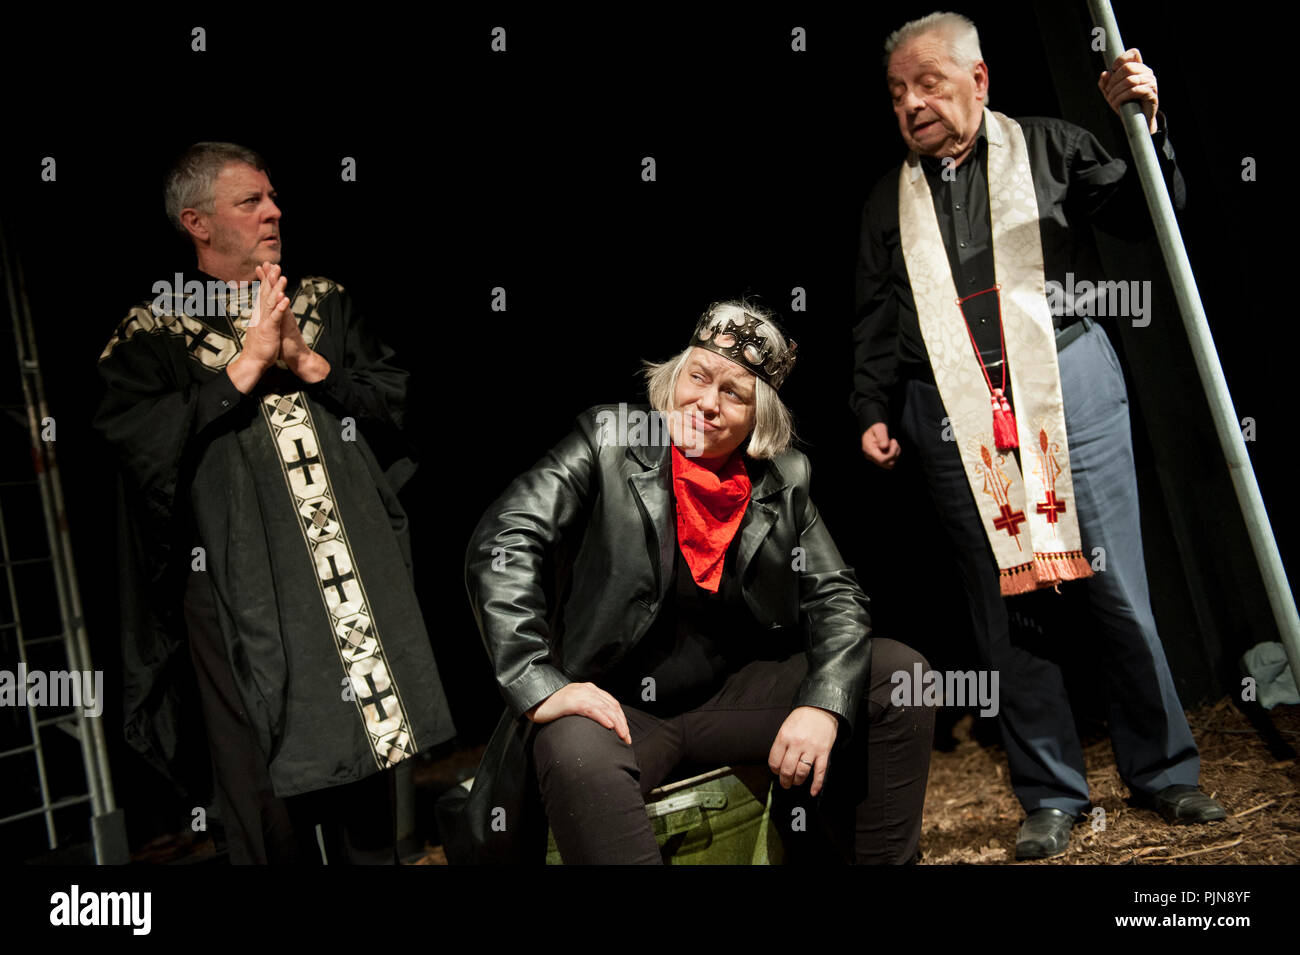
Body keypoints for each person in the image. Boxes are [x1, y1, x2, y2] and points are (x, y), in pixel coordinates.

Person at [852, 12, 1225, 860]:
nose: (912, 104)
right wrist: (871, 406)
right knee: (1003, 605)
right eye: (898, 92)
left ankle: (1165, 771)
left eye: (930, 83)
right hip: (949, 409)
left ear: (978, 81)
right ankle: (1052, 792)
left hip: (1068, 381)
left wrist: (1146, 124)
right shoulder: (888, 200)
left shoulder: (1053, 147)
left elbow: (1148, 216)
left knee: (1117, 582)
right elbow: (875, 314)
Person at [458, 301, 935, 865]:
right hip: (616, 709)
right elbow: (506, 539)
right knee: (573, 745)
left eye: (734, 393)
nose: (707, 403)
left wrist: (823, 706)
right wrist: (539, 680)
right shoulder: (609, 439)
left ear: (760, 418)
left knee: (900, 676)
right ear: (674, 378)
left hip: (726, 702)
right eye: (699, 378)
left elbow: (836, 596)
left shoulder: (785, 478)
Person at [94, 141, 455, 863]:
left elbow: (395, 410)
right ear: (196, 222)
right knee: (260, 786)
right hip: (236, 584)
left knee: (374, 774)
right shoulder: (153, 330)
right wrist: (244, 366)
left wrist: (307, 363)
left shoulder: (320, 303)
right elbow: (139, 449)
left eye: (273, 196)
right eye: (250, 200)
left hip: (346, 563)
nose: (274, 211)